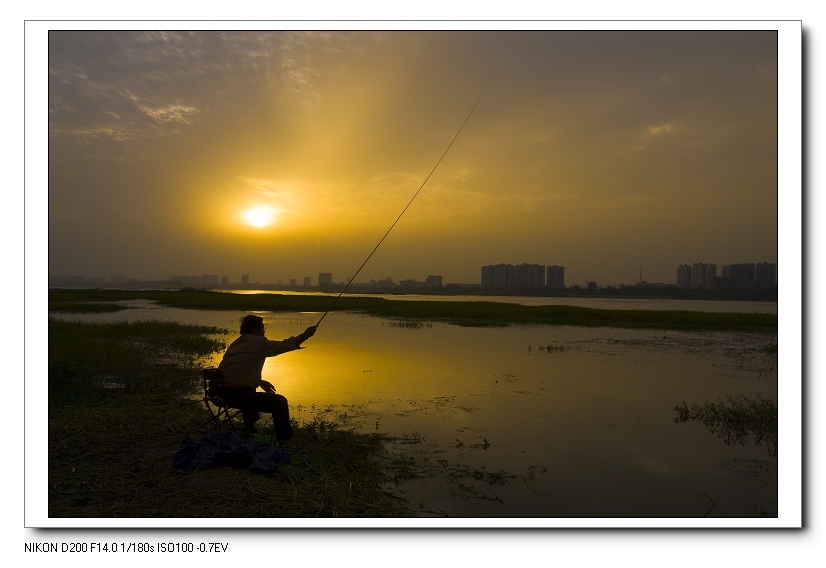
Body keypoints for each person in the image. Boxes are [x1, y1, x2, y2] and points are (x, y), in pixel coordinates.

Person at [214, 314, 317, 441]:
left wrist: (259, 381)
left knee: (249, 391)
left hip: (216, 393)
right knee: (280, 402)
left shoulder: (236, 344)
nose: (264, 331)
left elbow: (236, 371)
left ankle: (249, 428)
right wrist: (305, 335)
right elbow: (282, 346)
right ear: (255, 330)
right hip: (236, 396)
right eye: (262, 328)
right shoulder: (258, 342)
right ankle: (285, 440)